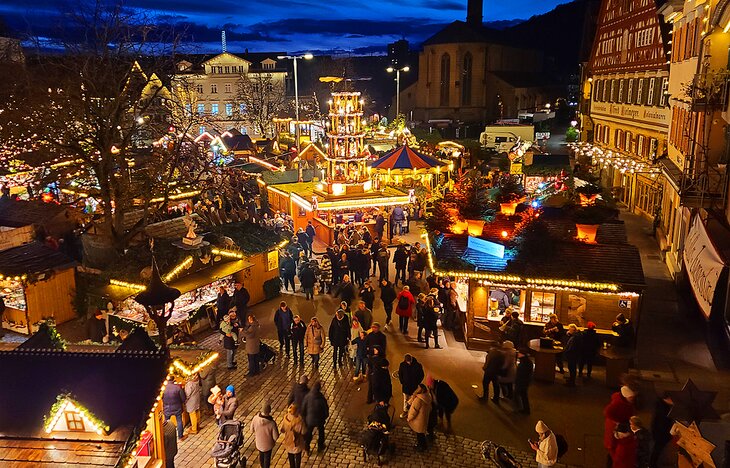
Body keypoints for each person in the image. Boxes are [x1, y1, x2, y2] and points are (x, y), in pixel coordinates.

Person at [603, 386, 636, 456]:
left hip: (621, 424)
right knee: (613, 444)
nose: (632, 399)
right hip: (616, 427)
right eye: (630, 398)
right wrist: (617, 422)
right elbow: (607, 412)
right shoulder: (617, 403)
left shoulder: (623, 402)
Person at [301, 381, 329, 454]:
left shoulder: (307, 396)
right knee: (321, 432)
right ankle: (320, 446)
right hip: (319, 419)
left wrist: (305, 418)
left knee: (309, 433)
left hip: (309, 419)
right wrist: (325, 417)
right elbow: (326, 409)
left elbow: (303, 408)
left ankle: (307, 447)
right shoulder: (321, 398)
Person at [250, 401, 280, 468]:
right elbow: (276, 437)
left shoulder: (255, 418)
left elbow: (251, 430)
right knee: (267, 459)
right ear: (269, 411)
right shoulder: (272, 423)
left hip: (259, 443)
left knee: (261, 456)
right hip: (268, 445)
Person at [650, 393, 674, 466]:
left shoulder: (661, 406)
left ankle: (652, 464)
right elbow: (663, 423)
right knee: (657, 450)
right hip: (661, 434)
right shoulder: (664, 409)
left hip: (659, 433)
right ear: (667, 399)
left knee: (657, 449)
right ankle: (652, 464)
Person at [407, 384, 433, 452]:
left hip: (418, 420)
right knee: (421, 434)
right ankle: (423, 445)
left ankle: (421, 446)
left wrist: (409, 418)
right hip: (424, 418)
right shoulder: (427, 396)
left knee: (419, 435)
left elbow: (414, 411)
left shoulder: (418, 400)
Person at [398, 354, 424, 419]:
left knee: (413, 400)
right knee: (406, 399)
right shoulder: (402, 365)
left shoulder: (417, 365)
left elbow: (421, 375)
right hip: (406, 386)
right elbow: (400, 374)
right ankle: (405, 411)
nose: (409, 362)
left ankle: (412, 412)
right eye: (407, 361)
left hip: (413, 387)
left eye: (409, 361)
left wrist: (417, 382)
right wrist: (402, 382)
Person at [281, 403, 307, 468]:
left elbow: (282, 430)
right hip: (297, 442)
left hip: (289, 441)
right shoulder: (299, 421)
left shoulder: (285, 419)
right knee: (298, 457)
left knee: (290, 457)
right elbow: (304, 432)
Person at [513, 348, 534, 415]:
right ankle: (525, 409)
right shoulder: (526, 361)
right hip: (524, 382)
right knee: (523, 395)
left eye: (519, 353)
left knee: (517, 395)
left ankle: (519, 409)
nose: (518, 354)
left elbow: (522, 373)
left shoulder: (525, 363)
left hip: (522, 382)